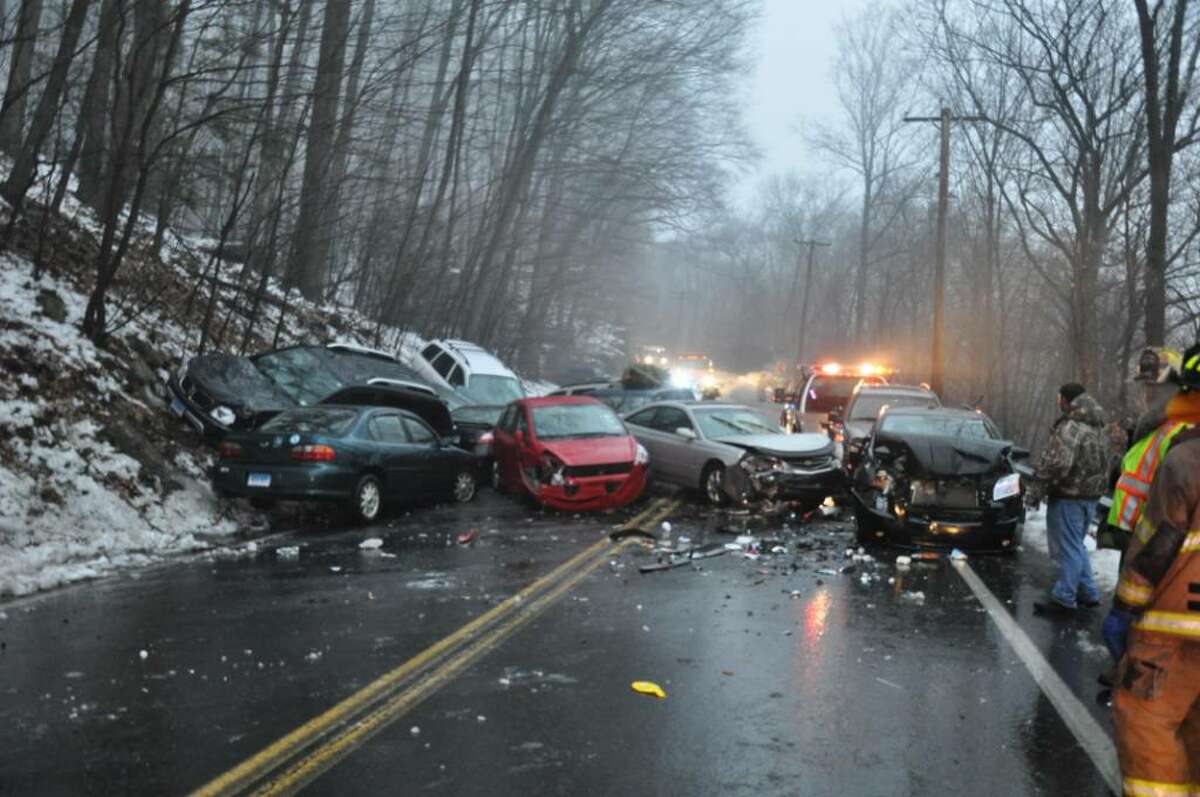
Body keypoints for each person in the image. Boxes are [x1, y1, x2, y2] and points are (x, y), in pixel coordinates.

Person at [1102, 342, 1200, 796]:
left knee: (1147, 728)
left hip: (1174, 630)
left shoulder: (1184, 454)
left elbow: (1156, 543)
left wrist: (1125, 608)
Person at [1097, 347, 1198, 558]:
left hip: (1152, 551)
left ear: (1176, 388)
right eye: (1146, 386)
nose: (1148, 393)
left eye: (1155, 387)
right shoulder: (1152, 429)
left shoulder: (1182, 432)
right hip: (1134, 540)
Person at [1027, 383, 1109, 616]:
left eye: (1059, 397)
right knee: (1076, 544)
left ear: (1067, 400)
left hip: (1068, 496)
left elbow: (1057, 463)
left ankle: (1065, 597)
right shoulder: (1098, 427)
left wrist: (1038, 488)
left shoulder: (1071, 427)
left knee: (1067, 548)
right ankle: (1088, 591)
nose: (1058, 402)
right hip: (1090, 497)